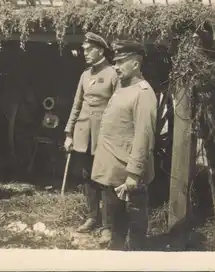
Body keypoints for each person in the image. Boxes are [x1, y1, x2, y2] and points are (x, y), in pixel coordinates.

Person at [91, 40, 158, 250]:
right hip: (114, 171)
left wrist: (134, 174)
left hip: (128, 175)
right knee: (117, 226)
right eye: (115, 62)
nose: (116, 67)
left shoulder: (143, 93)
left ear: (136, 64)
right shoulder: (123, 87)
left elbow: (143, 135)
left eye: (120, 62)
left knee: (136, 228)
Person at [64, 32, 119, 234]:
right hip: (83, 136)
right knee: (87, 177)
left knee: (105, 180)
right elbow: (76, 105)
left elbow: (118, 107)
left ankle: (108, 226)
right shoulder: (85, 75)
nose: (84, 53)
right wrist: (69, 133)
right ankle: (91, 217)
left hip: (103, 137)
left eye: (89, 49)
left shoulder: (114, 74)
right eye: (84, 49)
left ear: (101, 50)